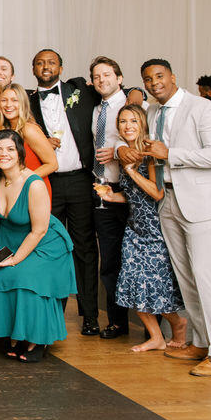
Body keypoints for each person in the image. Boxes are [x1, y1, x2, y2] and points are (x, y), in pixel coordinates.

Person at [126, 59, 211, 376]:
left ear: (173, 77)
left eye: (159, 76)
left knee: (204, 275)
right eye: (148, 79)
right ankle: (200, 342)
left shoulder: (204, 108)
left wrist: (170, 154)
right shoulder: (153, 112)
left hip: (201, 202)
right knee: (185, 279)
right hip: (168, 200)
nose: (154, 83)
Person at [95, 104, 187, 353]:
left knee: (155, 285)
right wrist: (113, 197)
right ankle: (156, 337)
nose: (128, 126)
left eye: (133, 121)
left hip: (155, 230)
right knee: (132, 283)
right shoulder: (125, 155)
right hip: (134, 228)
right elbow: (133, 196)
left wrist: (131, 172)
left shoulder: (150, 154)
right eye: (123, 122)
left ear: (143, 124)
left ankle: (178, 324)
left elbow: (157, 193)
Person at [27, 48, 101, 337]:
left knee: (84, 248)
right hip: (47, 183)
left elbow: (115, 93)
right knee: (48, 247)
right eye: (40, 63)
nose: (46, 67)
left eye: (51, 62)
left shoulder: (81, 91)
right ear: (33, 69)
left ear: (61, 67)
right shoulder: (26, 102)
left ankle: (90, 315)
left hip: (80, 180)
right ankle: (51, 314)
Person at [0, 129, 77, 362]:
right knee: (1, 274)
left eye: (10, 149)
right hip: (10, 241)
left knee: (24, 275)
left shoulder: (33, 183)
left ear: (20, 153)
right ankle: (18, 334)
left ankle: (38, 338)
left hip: (45, 244)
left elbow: (39, 230)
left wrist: (15, 259)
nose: (3, 154)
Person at [88, 57, 130, 339]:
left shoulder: (133, 106)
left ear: (120, 78)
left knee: (138, 256)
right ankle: (117, 321)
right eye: (97, 76)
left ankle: (155, 322)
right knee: (110, 260)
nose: (102, 80)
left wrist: (116, 152)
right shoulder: (96, 109)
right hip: (102, 190)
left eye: (107, 74)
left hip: (129, 191)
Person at [0, 83, 58, 193]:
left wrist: (22, 181)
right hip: (11, 189)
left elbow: (52, 164)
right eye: (4, 100)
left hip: (32, 189)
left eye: (14, 100)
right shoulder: (4, 130)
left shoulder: (28, 129)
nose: (8, 105)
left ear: (23, 103)